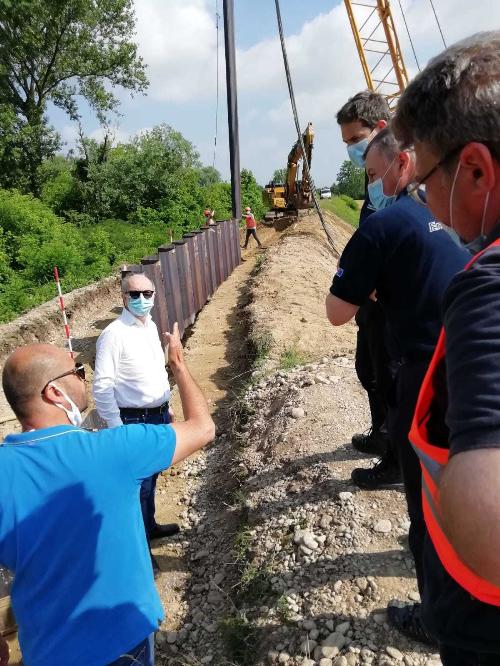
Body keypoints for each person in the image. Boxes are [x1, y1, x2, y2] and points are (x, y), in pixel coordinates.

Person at [325, 128, 469, 644]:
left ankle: (438, 618)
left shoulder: (381, 227)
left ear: (399, 166)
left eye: (372, 171)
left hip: (426, 377)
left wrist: (376, 289)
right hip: (476, 361)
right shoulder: (460, 211)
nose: (371, 182)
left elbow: (336, 312)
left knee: (427, 504)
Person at [0, 327, 215, 666]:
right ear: (54, 392)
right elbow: (202, 427)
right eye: (78, 372)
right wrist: (178, 365)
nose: (84, 377)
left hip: (44, 651)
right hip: (120, 644)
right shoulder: (116, 450)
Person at [392, 31, 500, 665]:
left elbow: (489, 528)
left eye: (429, 176)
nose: (426, 199)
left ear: (477, 170)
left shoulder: (489, 288)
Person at [93, 272, 179, 577]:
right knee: (136, 489)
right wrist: (117, 428)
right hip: (131, 420)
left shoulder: (150, 326)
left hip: (155, 416)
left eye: (147, 293)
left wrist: (165, 407)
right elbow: (102, 386)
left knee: (151, 480)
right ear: (123, 298)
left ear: (154, 295)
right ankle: (139, 550)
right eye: (134, 294)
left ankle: (150, 526)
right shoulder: (114, 334)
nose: (141, 300)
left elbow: (155, 370)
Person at [336, 91, 396, 478]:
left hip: (393, 302)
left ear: (381, 129)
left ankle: (395, 459)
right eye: (346, 143)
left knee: (392, 378)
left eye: (355, 139)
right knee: (368, 369)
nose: (352, 150)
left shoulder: (405, 180)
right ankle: (381, 434)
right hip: (372, 301)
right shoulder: (373, 178)